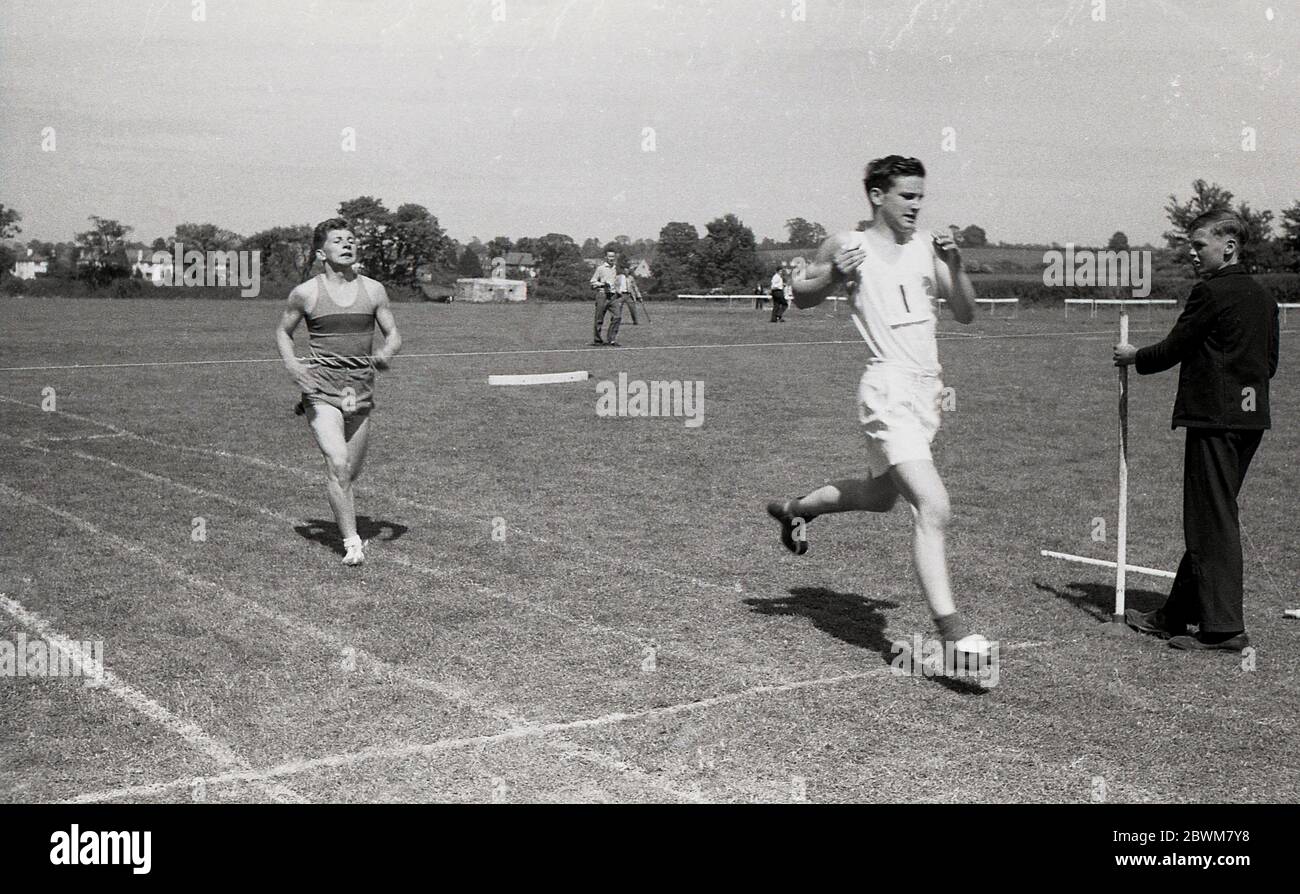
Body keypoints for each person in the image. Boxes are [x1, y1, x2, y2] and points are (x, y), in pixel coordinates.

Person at [765, 155, 989, 665]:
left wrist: (955, 264)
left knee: (879, 496)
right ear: (876, 195)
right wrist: (830, 279)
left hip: (926, 392)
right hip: (885, 387)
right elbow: (802, 296)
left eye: (920, 196)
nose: (916, 205)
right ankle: (955, 637)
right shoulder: (849, 245)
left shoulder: (930, 247)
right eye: (907, 195)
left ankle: (796, 510)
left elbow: (967, 313)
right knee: (933, 506)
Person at [1115, 209, 1279, 652]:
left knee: (1211, 520)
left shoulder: (1210, 293)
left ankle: (1224, 630)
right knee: (1212, 516)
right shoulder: (1264, 298)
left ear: (1228, 247)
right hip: (1250, 420)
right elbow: (1269, 365)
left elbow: (1173, 349)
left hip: (1214, 421)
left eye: (1199, 245)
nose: (1192, 253)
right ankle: (1173, 615)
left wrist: (1133, 356)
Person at [276, 218, 402, 566]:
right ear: (321, 252)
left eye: (351, 239)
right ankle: (352, 542)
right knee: (338, 462)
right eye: (338, 241)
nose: (347, 244)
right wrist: (294, 366)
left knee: (348, 472)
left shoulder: (374, 290)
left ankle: (341, 505)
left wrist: (386, 354)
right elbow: (283, 333)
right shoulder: (306, 293)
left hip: (360, 390)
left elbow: (394, 335)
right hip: (321, 389)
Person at [590, 248, 621, 346]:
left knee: (617, 316)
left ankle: (611, 339)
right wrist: (602, 284)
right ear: (606, 257)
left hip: (613, 296)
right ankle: (597, 340)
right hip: (602, 295)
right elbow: (592, 281)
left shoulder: (615, 268)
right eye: (609, 256)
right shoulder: (600, 268)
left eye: (613, 256)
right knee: (599, 319)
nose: (611, 258)